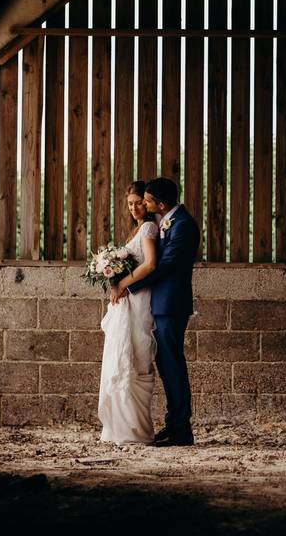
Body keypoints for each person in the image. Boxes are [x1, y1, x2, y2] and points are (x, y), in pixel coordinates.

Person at [110, 177, 199, 447]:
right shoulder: (164, 222)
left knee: (173, 366)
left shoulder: (182, 225)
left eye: (147, 201)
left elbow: (165, 265)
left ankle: (181, 429)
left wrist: (128, 283)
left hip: (170, 305)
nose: (144, 205)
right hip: (159, 305)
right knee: (166, 365)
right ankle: (173, 425)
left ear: (160, 203)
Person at [97, 181, 159, 445]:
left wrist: (121, 282)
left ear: (147, 202)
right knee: (123, 355)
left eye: (138, 202)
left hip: (139, 299)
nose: (134, 208)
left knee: (135, 355)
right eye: (130, 204)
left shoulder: (148, 227)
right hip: (129, 300)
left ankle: (137, 429)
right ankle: (120, 428)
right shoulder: (136, 228)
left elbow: (150, 264)